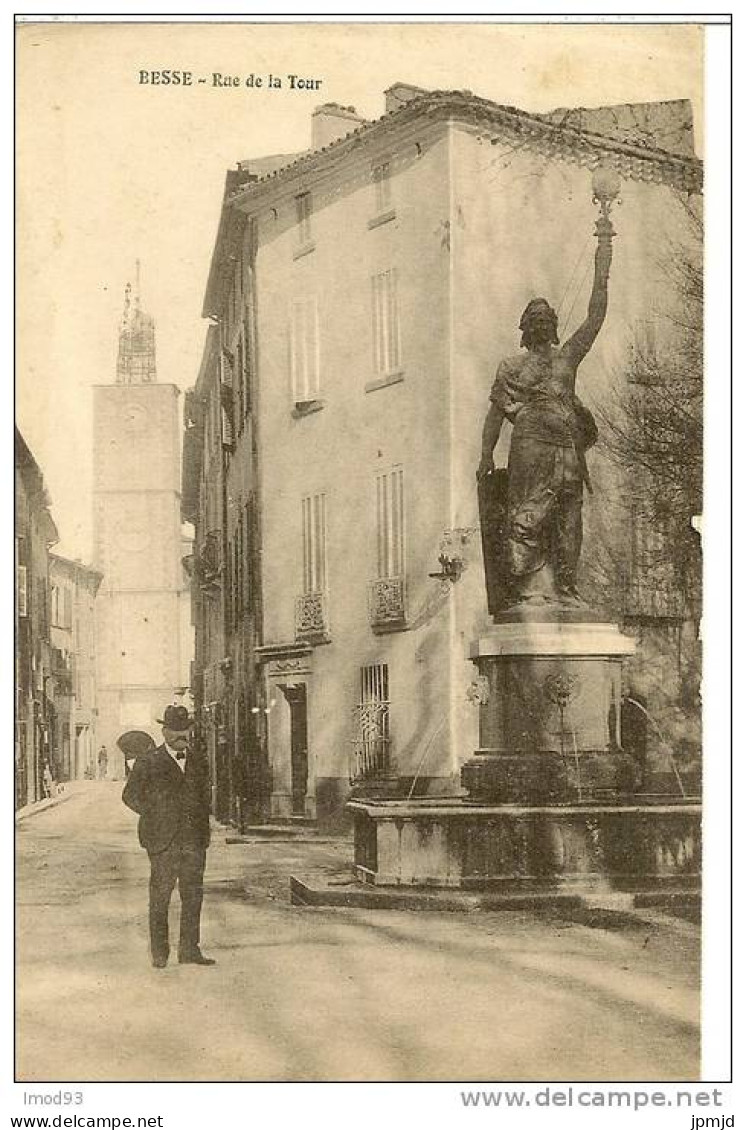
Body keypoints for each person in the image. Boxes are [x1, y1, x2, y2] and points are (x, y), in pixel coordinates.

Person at [477, 215, 613, 608]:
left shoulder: (567, 358)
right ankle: (528, 590)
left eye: (546, 319)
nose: (541, 323)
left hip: (567, 449)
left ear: (553, 327)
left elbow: (596, 314)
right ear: (524, 328)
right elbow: (495, 415)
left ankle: (567, 588)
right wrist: (486, 453)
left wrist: (603, 253)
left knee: (571, 518)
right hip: (530, 446)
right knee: (526, 515)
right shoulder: (511, 367)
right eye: (534, 319)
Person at [122, 705, 215, 969]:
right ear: (164, 731)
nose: (179, 735)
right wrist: (154, 813)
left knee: (193, 896)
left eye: (184, 729)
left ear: (190, 730)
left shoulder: (198, 760)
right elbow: (130, 796)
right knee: (160, 897)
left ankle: (189, 950)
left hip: (194, 841)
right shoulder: (148, 760)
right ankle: (160, 953)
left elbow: (204, 795)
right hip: (162, 842)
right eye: (174, 730)